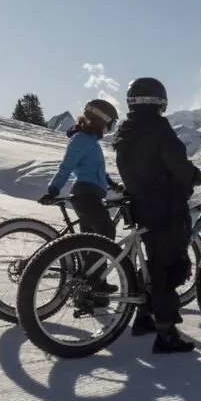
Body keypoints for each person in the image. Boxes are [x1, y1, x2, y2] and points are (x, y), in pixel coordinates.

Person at [112, 77, 201, 354]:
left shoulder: (125, 128)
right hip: (164, 206)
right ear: (161, 101)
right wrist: (194, 176)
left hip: (140, 204)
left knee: (152, 262)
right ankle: (166, 334)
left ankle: (144, 317)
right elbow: (177, 163)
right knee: (168, 268)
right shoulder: (159, 127)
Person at [40, 98, 125, 297]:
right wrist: (53, 189)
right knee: (105, 231)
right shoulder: (80, 140)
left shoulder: (89, 140)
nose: (109, 128)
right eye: (110, 123)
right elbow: (66, 166)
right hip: (85, 196)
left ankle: (92, 287)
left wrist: (114, 186)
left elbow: (96, 171)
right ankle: (91, 280)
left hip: (91, 195)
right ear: (100, 120)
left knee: (90, 243)